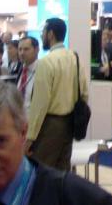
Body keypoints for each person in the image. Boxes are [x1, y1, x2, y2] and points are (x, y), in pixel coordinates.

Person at [0, 81, 112, 205]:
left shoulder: (87, 200)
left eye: (0, 141)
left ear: (23, 133)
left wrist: (33, 137)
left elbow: (41, 104)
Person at [25, 18, 89, 171]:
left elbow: (40, 105)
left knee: (42, 171)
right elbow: (84, 93)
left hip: (49, 126)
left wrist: (29, 138)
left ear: (51, 34)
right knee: (62, 172)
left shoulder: (46, 62)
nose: (42, 36)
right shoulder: (75, 58)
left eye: (43, 32)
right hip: (69, 124)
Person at [17, 36, 40, 116]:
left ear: (37, 50)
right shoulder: (20, 70)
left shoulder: (42, 70)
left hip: (34, 119)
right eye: (20, 49)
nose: (22, 53)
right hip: (19, 119)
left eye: (26, 49)